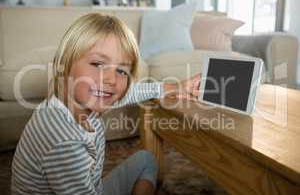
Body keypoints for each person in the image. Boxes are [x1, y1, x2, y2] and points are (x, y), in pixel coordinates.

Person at [11, 13, 200, 195]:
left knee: (147, 159)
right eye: (98, 64)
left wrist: (171, 87)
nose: (111, 79)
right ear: (64, 63)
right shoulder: (65, 142)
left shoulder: (71, 100)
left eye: (121, 71)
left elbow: (128, 93)